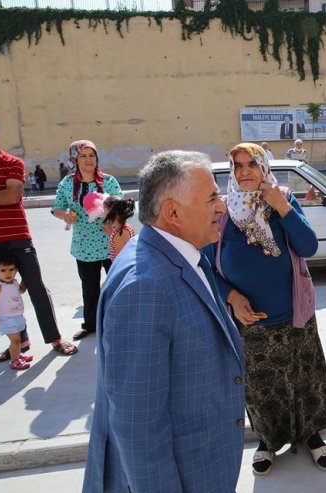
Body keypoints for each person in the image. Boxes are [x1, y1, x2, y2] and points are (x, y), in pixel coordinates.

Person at [82, 151, 245, 492]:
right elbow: (138, 426)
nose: (222, 206)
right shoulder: (145, 288)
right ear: (173, 211)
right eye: (213, 197)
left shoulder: (179, 252)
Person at [204, 143, 326, 475]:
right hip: (249, 322)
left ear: (264, 168)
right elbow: (204, 265)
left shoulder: (283, 199)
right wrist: (230, 295)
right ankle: (267, 440)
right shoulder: (222, 211)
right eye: (238, 165)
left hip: (293, 313)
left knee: (305, 377)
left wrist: (282, 207)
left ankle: (311, 435)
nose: (245, 170)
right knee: (261, 386)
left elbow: (308, 246)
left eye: (252, 164)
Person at [0, 120, 77, 361]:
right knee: (1, 294)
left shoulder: (12, 163)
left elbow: (12, 195)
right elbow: (3, 195)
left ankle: (55, 339)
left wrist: (3, 196)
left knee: (37, 288)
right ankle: (19, 343)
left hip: (18, 237)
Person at [52, 140, 122, 341]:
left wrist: (111, 215)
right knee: (89, 288)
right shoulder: (67, 184)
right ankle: (90, 324)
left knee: (117, 285)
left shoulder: (108, 181)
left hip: (111, 244)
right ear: (74, 159)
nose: (88, 160)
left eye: (92, 155)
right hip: (84, 247)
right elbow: (57, 207)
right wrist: (65, 216)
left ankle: (119, 321)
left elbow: (121, 207)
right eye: (83, 156)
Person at [0, 255, 34, 370]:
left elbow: (22, 290)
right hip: (6, 319)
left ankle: (17, 355)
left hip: (18, 316)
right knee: (15, 341)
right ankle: (14, 361)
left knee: (18, 340)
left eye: (11, 269)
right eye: (3, 270)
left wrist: (25, 278)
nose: (8, 273)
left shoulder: (14, 283)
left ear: (16, 270)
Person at [102, 195, 136, 260]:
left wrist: (112, 234)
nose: (103, 212)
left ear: (111, 211)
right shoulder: (125, 228)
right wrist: (110, 233)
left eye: (104, 209)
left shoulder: (120, 233)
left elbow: (120, 260)